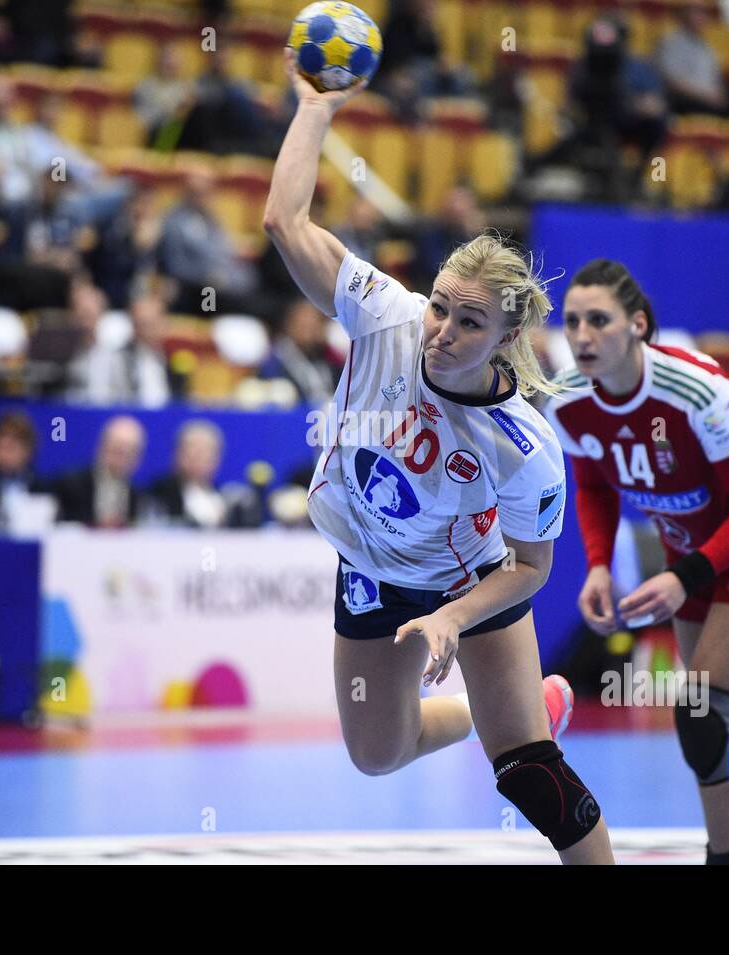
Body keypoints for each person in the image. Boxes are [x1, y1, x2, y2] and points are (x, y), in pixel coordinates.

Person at [261, 48, 614, 864]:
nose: (443, 334)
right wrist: (316, 108)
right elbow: (285, 223)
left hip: (468, 582)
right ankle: (527, 706)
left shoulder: (522, 442)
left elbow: (530, 566)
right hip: (369, 569)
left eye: (469, 325)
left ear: (505, 339)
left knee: (526, 772)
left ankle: (524, 724)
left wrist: (453, 619)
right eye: (442, 310)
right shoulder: (386, 314)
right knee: (377, 754)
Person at [545, 259, 729, 865]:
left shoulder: (696, 390)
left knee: (700, 717)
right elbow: (592, 483)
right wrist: (596, 566)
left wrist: (684, 576)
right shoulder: (565, 398)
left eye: (599, 320)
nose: (583, 336)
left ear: (638, 325)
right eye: (571, 322)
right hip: (691, 559)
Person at [53, 415, 146, 527]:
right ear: (101, 448)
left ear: (138, 458)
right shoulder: (71, 486)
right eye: (117, 450)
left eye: (129, 453)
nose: (121, 460)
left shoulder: (136, 495)